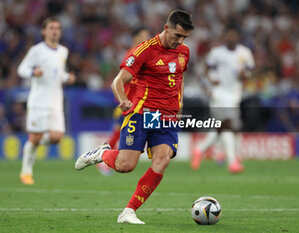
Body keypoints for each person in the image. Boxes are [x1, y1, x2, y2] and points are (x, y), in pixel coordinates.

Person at [75, 9, 194, 224]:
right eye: (177, 36)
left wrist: (180, 102)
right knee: (125, 166)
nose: (180, 41)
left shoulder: (184, 52)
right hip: (141, 113)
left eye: (184, 37)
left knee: (162, 161)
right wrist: (123, 100)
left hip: (166, 117)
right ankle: (102, 154)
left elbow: (179, 77)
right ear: (166, 28)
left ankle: (129, 211)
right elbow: (117, 81)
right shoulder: (144, 50)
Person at [18, 17, 75, 185]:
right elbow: (21, 69)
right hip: (38, 102)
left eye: (57, 28)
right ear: (44, 31)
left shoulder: (63, 51)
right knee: (36, 136)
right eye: (51, 28)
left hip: (55, 102)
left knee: (57, 137)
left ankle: (31, 144)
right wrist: (32, 72)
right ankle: (26, 172)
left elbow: (57, 73)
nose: (55, 31)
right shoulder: (37, 50)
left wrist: (67, 77)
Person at [191, 26, 255, 173]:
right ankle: (232, 161)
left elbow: (250, 72)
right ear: (225, 37)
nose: (231, 38)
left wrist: (244, 75)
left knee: (223, 127)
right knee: (228, 126)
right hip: (219, 94)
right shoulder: (217, 53)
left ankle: (200, 149)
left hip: (235, 95)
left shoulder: (244, 53)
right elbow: (205, 69)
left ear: (238, 37)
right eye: (229, 35)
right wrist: (209, 83)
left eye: (234, 35)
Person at [96, 27, 151, 176]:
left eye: (148, 37)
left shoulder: (145, 54)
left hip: (139, 104)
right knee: (120, 132)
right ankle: (104, 158)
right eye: (144, 36)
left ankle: (106, 157)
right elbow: (125, 78)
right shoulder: (132, 55)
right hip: (130, 103)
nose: (147, 40)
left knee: (120, 132)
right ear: (135, 38)